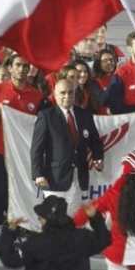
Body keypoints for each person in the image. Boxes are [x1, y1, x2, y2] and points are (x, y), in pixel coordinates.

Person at [0, 54, 47, 244]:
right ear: (10, 68)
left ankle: (14, 228)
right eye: (18, 65)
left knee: (19, 192)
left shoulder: (37, 95)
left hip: (23, 154)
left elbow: (42, 125)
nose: (22, 69)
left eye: (25, 66)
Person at [0, 196, 111, 270]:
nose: (39, 219)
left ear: (46, 219)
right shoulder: (82, 238)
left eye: (40, 217)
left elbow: (10, 260)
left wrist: (9, 233)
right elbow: (104, 239)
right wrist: (95, 217)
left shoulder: (36, 243)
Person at [31, 79, 104, 216]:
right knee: (54, 219)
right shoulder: (46, 116)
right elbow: (37, 149)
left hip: (78, 176)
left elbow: (95, 141)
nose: (67, 96)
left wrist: (98, 157)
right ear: (55, 94)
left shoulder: (84, 115)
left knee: (71, 218)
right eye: (63, 93)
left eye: (70, 92)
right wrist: (38, 174)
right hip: (54, 177)